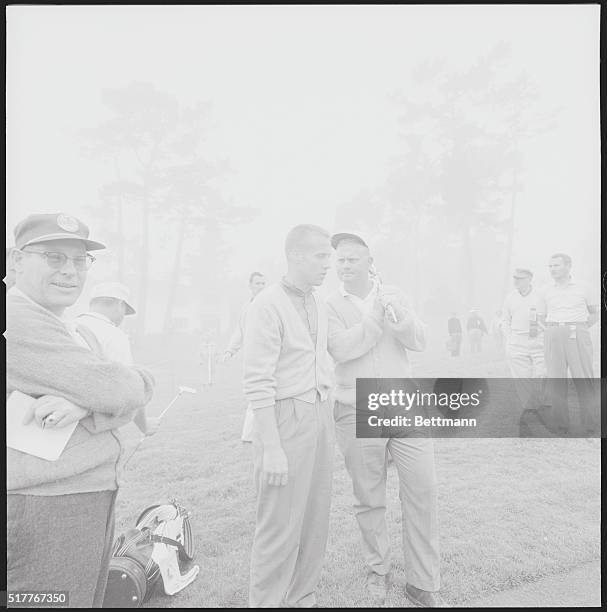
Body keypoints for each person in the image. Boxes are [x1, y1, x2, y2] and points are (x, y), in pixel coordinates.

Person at [6, 213, 155, 608]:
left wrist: (81, 406)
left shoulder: (70, 326)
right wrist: (105, 396)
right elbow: (127, 387)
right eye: (54, 257)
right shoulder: (17, 320)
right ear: (16, 260)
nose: (70, 271)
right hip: (48, 506)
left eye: (79, 261)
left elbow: (121, 397)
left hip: (79, 496)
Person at [326, 233, 445, 608]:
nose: (345, 266)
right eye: (340, 260)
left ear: (369, 261)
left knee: (422, 492)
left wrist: (400, 316)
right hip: (355, 409)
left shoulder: (394, 294)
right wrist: (376, 318)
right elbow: (341, 349)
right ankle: (378, 571)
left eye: (352, 259)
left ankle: (422, 583)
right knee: (369, 498)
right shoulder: (328, 305)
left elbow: (419, 340)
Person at [243, 225, 334, 608]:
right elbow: (258, 382)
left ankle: (302, 599)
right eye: (320, 256)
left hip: (320, 412)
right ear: (295, 256)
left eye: (328, 256)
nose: (327, 265)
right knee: (279, 525)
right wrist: (272, 447)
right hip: (284, 417)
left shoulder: (318, 301)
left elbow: (330, 353)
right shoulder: (266, 304)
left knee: (315, 520)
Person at [76, 281, 160, 436]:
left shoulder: (68, 325)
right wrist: (145, 426)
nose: (122, 317)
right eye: (124, 311)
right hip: (89, 425)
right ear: (120, 305)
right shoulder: (113, 335)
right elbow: (129, 387)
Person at [537, 253, 600, 435]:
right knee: (556, 380)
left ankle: (589, 423)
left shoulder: (584, 288)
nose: (552, 269)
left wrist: (579, 327)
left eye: (556, 265)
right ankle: (560, 424)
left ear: (568, 266)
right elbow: (541, 316)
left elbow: (595, 313)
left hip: (577, 332)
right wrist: (552, 330)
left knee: (583, 378)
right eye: (550, 266)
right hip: (553, 332)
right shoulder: (545, 290)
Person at [221, 271, 267, 442]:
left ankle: (258, 434)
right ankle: (249, 436)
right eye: (258, 283)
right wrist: (230, 350)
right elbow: (240, 331)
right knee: (256, 395)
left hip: (271, 358)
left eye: (263, 283)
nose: (261, 286)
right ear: (250, 286)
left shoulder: (271, 304)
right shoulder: (247, 307)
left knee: (271, 396)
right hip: (254, 359)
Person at [501, 269, 546, 412]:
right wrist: (510, 338)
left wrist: (545, 335)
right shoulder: (510, 298)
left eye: (520, 278)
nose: (516, 281)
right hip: (517, 341)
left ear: (529, 279)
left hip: (539, 340)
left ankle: (544, 401)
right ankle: (530, 406)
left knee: (542, 373)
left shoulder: (541, 295)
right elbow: (505, 320)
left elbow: (549, 317)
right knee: (521, 376)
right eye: (515, 278)